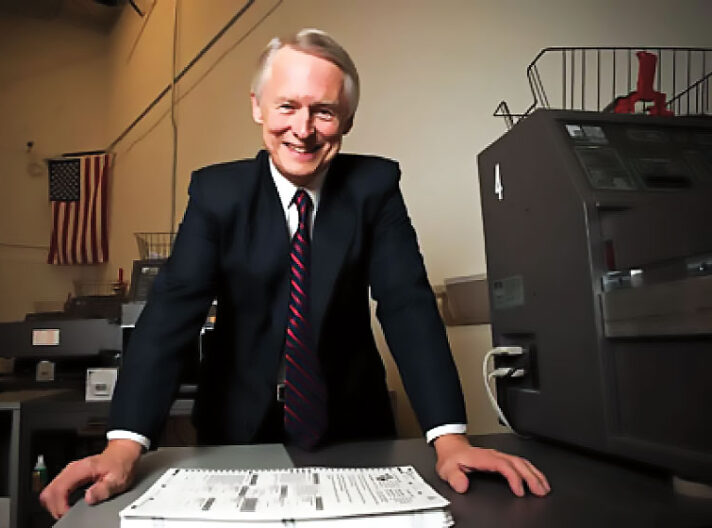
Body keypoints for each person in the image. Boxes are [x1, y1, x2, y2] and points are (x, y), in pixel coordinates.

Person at [41, 28, 549, 519]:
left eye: (323, 111)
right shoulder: (217, 195)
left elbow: (407, 303)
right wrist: (123, 447)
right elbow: (171, 313)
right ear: (257, 107)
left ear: (347, 119)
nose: (302, 130)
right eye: (286, 106)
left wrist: (451, 439)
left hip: (353, 424)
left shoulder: (374, 187)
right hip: (234, 425)